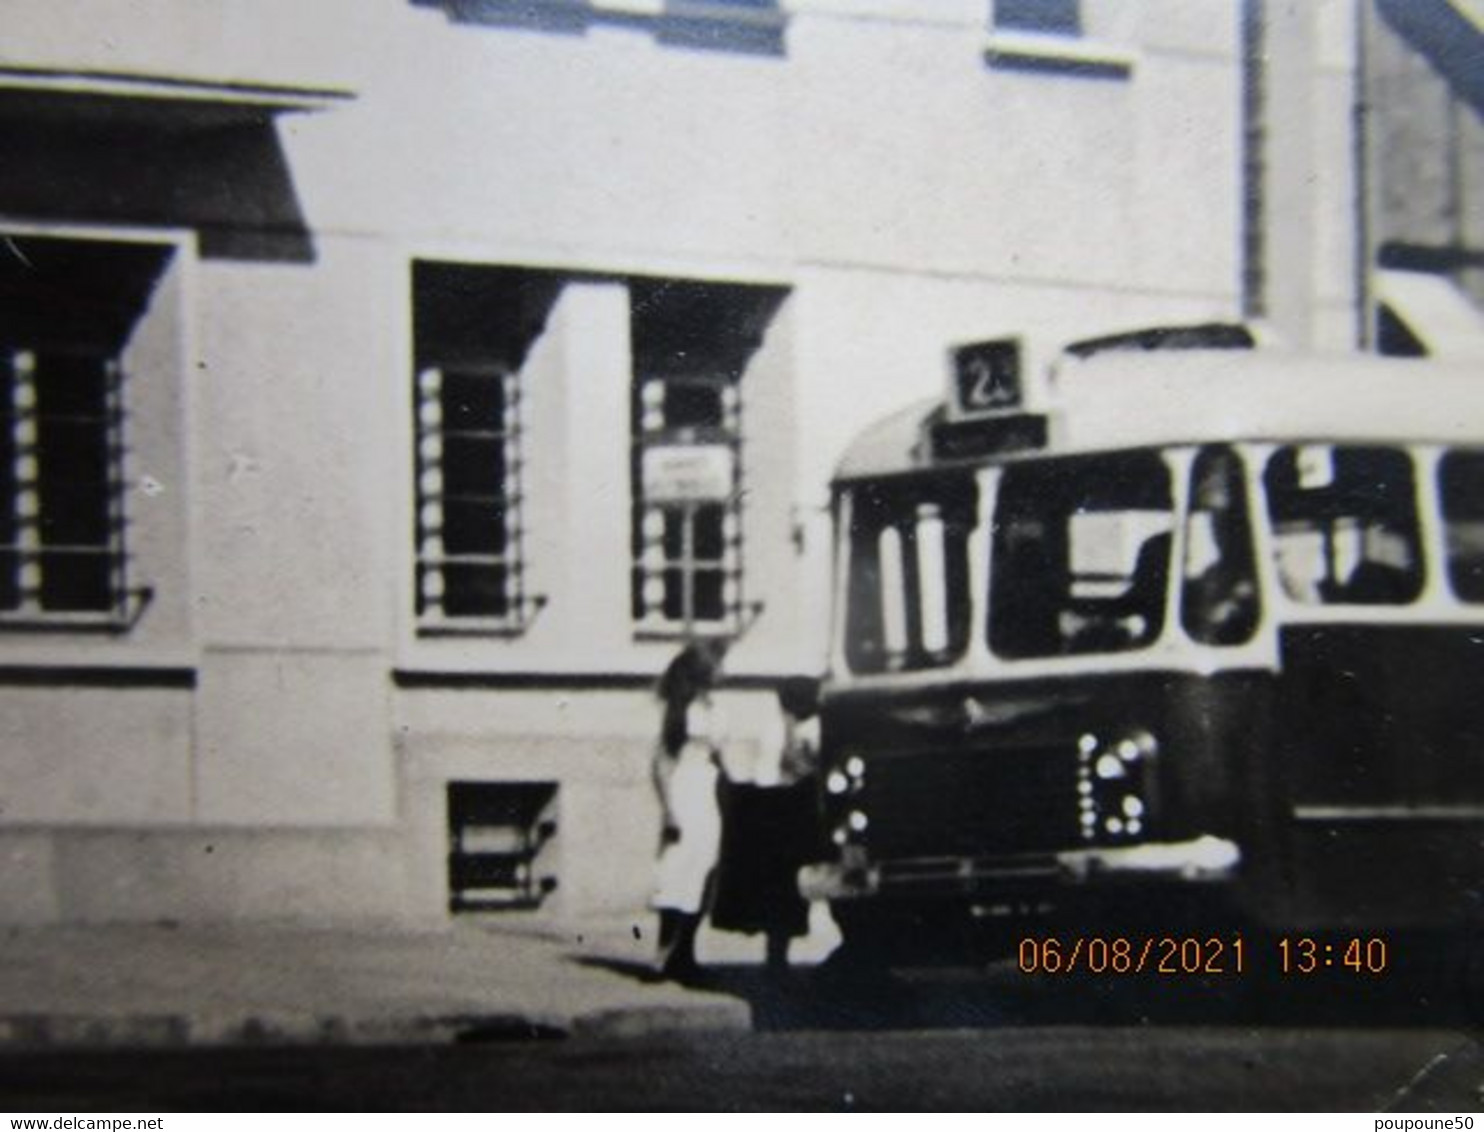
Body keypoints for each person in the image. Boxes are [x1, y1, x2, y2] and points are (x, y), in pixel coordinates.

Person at [710, 676, 822, 976]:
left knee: (787, 887)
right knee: (777, 887)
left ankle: (778, 954)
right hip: (772, 807)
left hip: (790, 806)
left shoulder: (807, 730)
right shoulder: (777, 729)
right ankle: (775, 955)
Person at [650, 639, 727, 981]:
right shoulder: (678, 710)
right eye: (715, 667)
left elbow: (718, 756)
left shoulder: (713, 709)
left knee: (704, 869)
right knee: (676, 869)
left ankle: (686, 953)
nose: (721, 673)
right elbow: (662, 762)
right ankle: (662, 954)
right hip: (685, 790)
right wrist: (669, 810)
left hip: (708, 792)